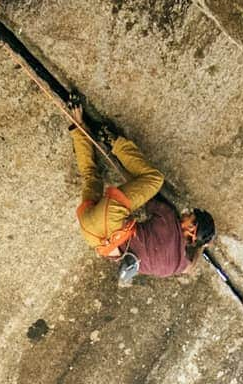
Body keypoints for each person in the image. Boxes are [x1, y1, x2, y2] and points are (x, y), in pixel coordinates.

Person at [68, 101, 215, 287]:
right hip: (92, 235)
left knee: (154, 179)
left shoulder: (169, 219)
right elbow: (190, 267)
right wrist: (202, 246)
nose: (185, 213)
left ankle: (113, 141)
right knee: (90, 178)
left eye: (190, 216)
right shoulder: (173, 267)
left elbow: (143, 191)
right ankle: (77, 123)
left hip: (110, 219)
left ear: (192, 229)